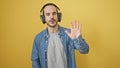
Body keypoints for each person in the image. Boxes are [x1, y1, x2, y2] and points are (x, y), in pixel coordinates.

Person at [31, 3, 89, 68]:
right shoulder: (38, 38)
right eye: (48, 14)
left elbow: (85, 50)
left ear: (58, 16)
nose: (51, 17)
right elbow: (35, 62)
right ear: (43, 18)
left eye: (54, 13)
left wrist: (77, 38)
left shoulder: (69, 34)